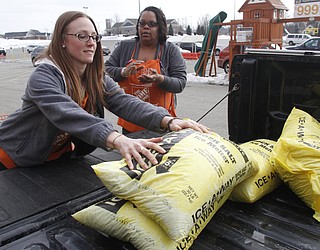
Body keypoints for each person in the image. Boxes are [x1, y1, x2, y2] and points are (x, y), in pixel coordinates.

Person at [0, 11, 208, 172]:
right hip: (14, 158)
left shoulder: (94, 76)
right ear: (62, 40)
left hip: (56, 158)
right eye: (82, 36)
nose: (91, 42)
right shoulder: (45, 76)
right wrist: (117, 139)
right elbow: (68, 114)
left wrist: (168, 120)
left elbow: (122, 101)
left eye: (94, 36)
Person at [105, 6, 187, 134]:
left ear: (160, 27)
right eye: (142, 23)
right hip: (131, 121)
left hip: (162, 123)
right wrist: (123, 72)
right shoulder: (124, 47)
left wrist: (159, 79)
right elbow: (105, 70)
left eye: (151, 24)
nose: (146, 27)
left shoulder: (170, 50)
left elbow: (180, 83)